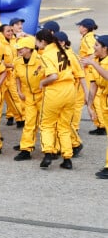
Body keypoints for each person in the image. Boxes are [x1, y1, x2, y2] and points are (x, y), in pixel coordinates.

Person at [36, 29, 76, 170]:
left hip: (55, 91)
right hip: (70, 91)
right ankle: (67, 158)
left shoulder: (46, 54)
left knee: (47, 124)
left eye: (37, 41)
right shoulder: (64, 51)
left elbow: (53, 76)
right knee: (64, 126)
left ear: (43, 41)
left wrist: (42, 83)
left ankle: (48, 153)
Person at [12, 37, 44, 161]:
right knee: (29, 123)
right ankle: (26, 149)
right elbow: (17, 77)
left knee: (47, 124)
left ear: (29, 49)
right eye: (19, 48)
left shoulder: (41, 60)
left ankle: (56, 148)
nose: (19, 50)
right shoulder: (17, 61)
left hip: (42, 95)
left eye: (22, 48)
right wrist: (19, 91)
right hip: (29, 96)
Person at [81, 34, 108, 179]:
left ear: (105, 48)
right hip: (104, 102)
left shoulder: (95, 63)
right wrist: (90, 107)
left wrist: (93, 64)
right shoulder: (95, 61)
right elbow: (93, 86)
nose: (94, 47)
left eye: (97, 45)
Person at [78, 18, 106, 135]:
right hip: (91, 70)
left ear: (85, 28)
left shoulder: (88, 38)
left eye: (80, 26)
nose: (79, 28)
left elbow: (92, 52)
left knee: (95, 99)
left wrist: (88, 61)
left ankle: (101, 125)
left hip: (90, 71)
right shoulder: (88, 37)